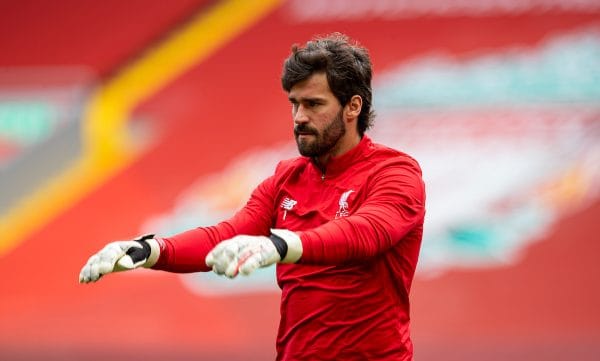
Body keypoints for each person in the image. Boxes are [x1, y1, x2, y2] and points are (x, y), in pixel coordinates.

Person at [79, 32, 426, 361]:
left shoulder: (395, 172)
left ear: (353, 107)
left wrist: (281, 245)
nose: (300, 117)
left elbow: (365, 233)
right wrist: (152, 250)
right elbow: (227, 235)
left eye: (314, 104)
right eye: (295, 103)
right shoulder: (285, 178)